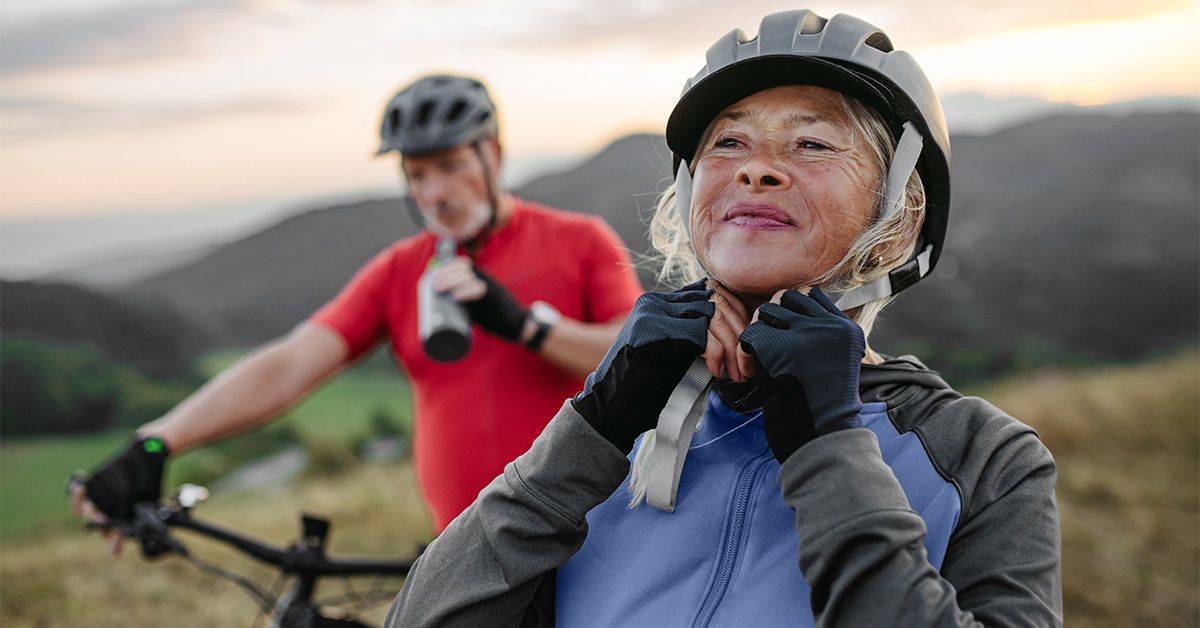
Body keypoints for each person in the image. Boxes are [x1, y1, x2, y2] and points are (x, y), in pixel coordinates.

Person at [385, 10, 1062, 627]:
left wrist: (829, 445)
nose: (757, 170)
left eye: (812, 145)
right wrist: (595, 423)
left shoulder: (982, 457)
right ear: (689, 196)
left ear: (897, 221)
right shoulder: (616, 443)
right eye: (730, 143)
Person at [71, 74, 644, 542]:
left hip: (589, 533)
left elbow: (634, 354)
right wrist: (157, 441)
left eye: (450, 165)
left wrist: (526, 325)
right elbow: (291, 363)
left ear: (492, 155)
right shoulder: (401, 270)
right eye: (417, 174)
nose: (435, 193)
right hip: (465, 552)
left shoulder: (580, 240)